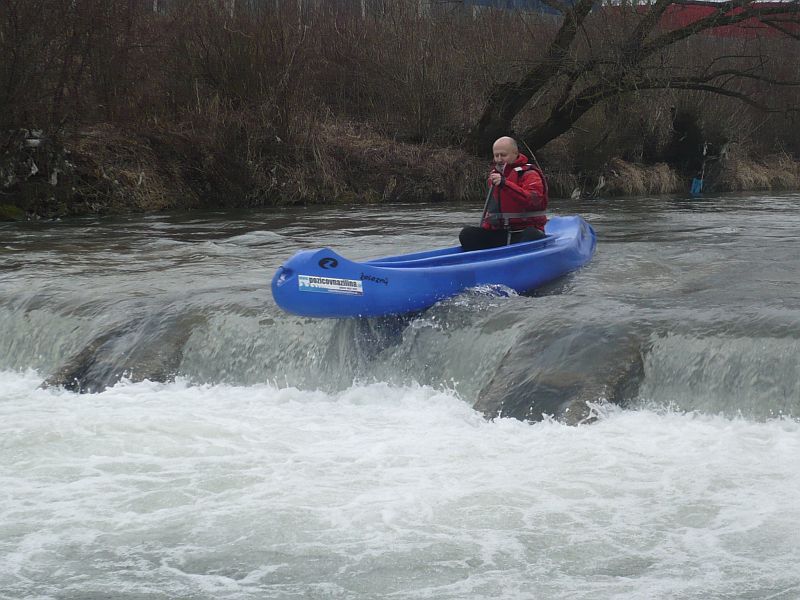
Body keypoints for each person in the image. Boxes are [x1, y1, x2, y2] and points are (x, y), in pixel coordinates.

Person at [459, 136, 548, 252]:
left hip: (524, 232)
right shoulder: (494, 177)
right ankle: (477, 262)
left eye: (503, 155)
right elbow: (492, 211)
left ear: (515, 153)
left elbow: (533, 201)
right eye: (496, 155)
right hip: (500, 233)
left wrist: (505, 184)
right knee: (467, 234)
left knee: (531, 236)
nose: (499, 159)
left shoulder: (530, 174)